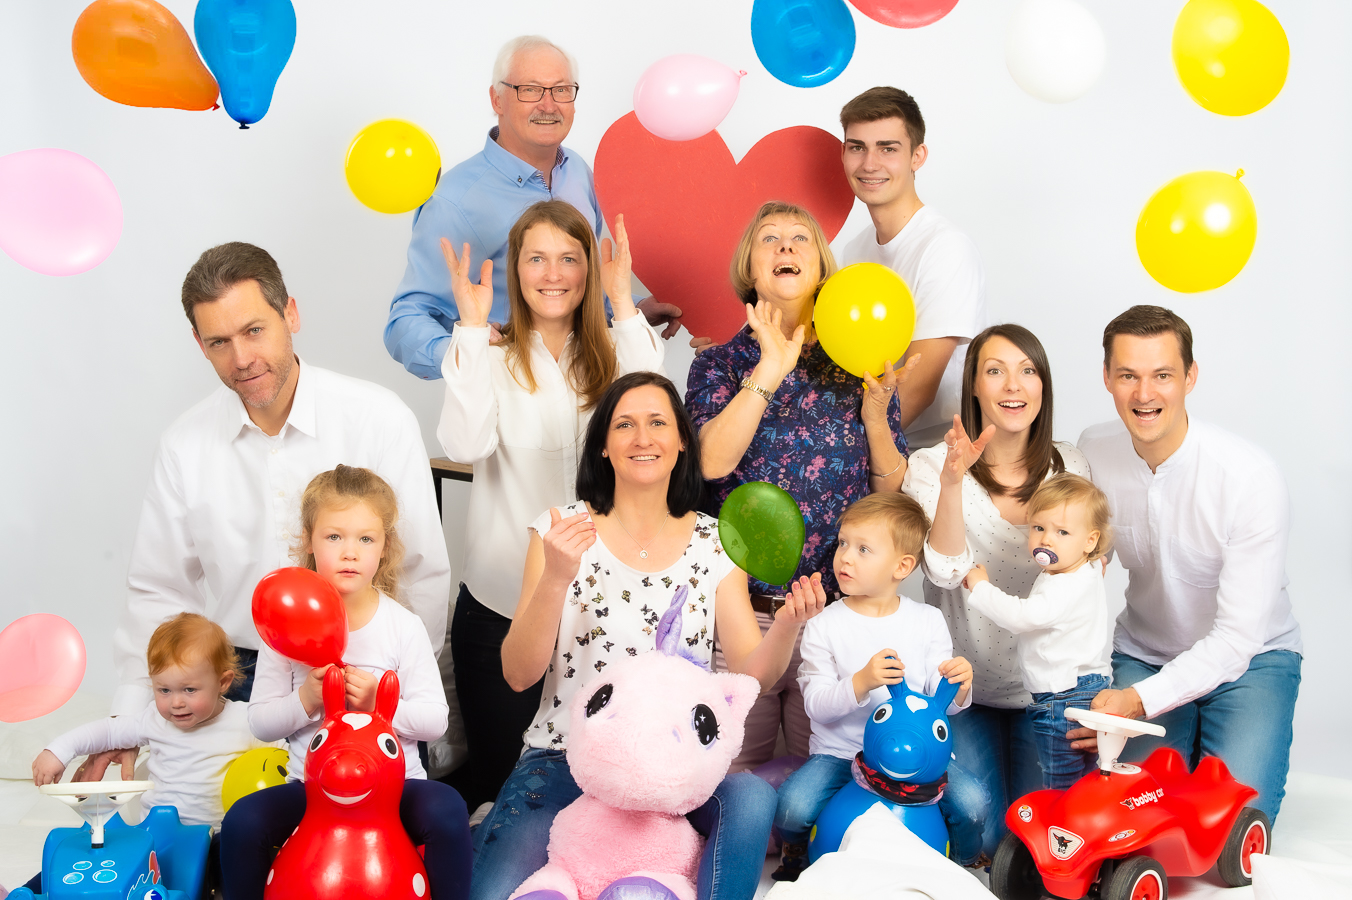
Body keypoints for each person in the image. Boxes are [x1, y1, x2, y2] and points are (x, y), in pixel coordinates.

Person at [94, 242, 450, 784]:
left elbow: (421, 569)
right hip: (234, 676)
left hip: (363, 665)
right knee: (223, 838)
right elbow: (158, 590)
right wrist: (128, 718)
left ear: (291, 315)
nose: (241, 359)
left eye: (254, 330)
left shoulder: (378, 418)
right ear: (199, 344)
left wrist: (399, 685)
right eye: (219, 342)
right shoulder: (184, 445)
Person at [471, 372, 827, 900]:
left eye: (658, 422)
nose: (643, 438)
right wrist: (554, 577)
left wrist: (789, 627)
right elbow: (518, 675)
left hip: (677, 765)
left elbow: (751, 676)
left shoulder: (714, 542)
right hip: (566, 755)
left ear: (682, 441)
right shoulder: (558, 530)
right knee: (491, 893)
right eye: (625, 425)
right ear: (605, 448)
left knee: (750, 797)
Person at [436, 200, 664, 810]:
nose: (553, 273)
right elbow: (462, 442)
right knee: (499, 782)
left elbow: (654, 415)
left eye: (569, 258)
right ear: (516, 269)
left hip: (604, 607)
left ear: (589, 268)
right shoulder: (487, 353)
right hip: (501, 603)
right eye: (537, 258)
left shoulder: (616, 350)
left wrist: (623, 300)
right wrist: (469, 326)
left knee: (598, 784)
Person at [685, 201, 918, 773]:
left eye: (800, 239)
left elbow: (891, 489)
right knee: (733, 788)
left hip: (843, 617)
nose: (785, 247)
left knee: (832, 788)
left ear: (822, 268)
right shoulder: (717, 365)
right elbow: (711, 463)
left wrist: (874, 413)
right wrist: (769, 367)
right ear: (750, 267)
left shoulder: (854, 362)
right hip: (747, 617)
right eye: (769, 238)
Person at [1071, 305, 1302, 823]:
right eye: (1128, 375)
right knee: (1131, 818)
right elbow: (1084, 566)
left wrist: (1136, 702)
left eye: (1162, 376)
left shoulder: (1249, 478)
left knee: (1230, 829)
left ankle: (1199, 742)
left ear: (1190, 377)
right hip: (1144, 653)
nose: (1144, 394)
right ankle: (1182, 741)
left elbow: (1239, 637)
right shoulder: (1093, 449)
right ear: (1107, 377)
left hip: (1253, 661)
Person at [222, 465, 469, 900]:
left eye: (365, 539)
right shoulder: (288, 625)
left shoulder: (403, 626)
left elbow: (435, 722)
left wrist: (379, 703)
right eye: (334, 537)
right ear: (308, 540)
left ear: (384, 547)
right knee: (243, 821)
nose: (349, 552)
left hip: (396, 787)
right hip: (312, 789)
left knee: (449, 810)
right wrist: (307, 697)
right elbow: (260, 722)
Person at [385, 35, 681, 380]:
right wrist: (470, 356)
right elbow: (405, 321)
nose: (548, 104)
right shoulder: (454, 199)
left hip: (594, 388)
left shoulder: (578, 171)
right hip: (509, 395)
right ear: (496, 98)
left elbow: (572, 284)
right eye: (530, 89)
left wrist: (631, 306)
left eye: (561, 89)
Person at [902, 323, 1091, 858]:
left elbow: (1086, 568)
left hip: (1047, 692)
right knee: (982, 836)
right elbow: (940, 572)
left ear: (1042, 387)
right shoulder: (933, 465)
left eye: (1027, 371)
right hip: (965, 692)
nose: (1013, 385)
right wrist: (954, 483)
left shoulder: (1068, 464)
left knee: (1041, 842)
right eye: (995, 370)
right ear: (975, 389)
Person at [772, 493, 985, 881]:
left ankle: (961, 867)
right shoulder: (824, 624)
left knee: (973, 804)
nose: (845, 557)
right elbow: (817, 706)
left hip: (918, 761)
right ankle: (800, 856)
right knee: (792, 808)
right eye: (843, 544)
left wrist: (961, 685)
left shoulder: (927, 620)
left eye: (863, 549)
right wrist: (861, 682)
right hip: (841, 754)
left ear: (901, 566)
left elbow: (944, 708)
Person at [25, 613, 267, 895]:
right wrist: (58, 751)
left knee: (237, 860)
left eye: (189, 689)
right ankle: (27, 890)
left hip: (214, 835)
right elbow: (108, 731)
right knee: (91, 848)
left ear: (223, 682)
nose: (176, 702)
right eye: (163, 689)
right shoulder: (154, 719)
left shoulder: (246, 721)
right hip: (155, 835)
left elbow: (277, 764)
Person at [835, 87, 988, 450]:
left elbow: (919, 388)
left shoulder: (944, 248)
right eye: (857, 147)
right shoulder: (855, 249)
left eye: (888, 148)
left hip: (936, 453)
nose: (869, 163)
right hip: (873, 443)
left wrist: (839, 451)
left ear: (917, 156)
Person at [960, 473, 1112, 789]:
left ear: (1090, 540)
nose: (1046, 540)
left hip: (1062, 697)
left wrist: (981, 587)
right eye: (1039, 528)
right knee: (1084, 782)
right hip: (1086, 687)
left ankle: (1061, 835)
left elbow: (1022, 617)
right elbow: (1097, 560)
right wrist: (1095, 554)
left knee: (1060, 786)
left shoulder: (1063, 586)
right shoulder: (1086, 567)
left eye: (1062, 532)